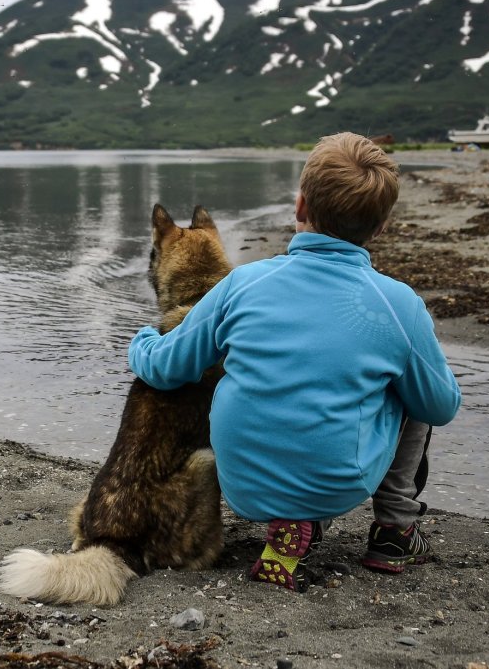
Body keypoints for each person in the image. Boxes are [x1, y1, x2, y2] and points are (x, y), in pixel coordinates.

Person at [128, 132, 462, 592]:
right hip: (337, 484)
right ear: (381, 226)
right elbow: (441, 407)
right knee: (409, 393)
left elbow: (165, 367)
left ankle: (295, 527)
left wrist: (143, 338)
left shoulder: (243, 283)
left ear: (300, 206)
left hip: (243, 486)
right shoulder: (398, 304)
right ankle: (395, 532)